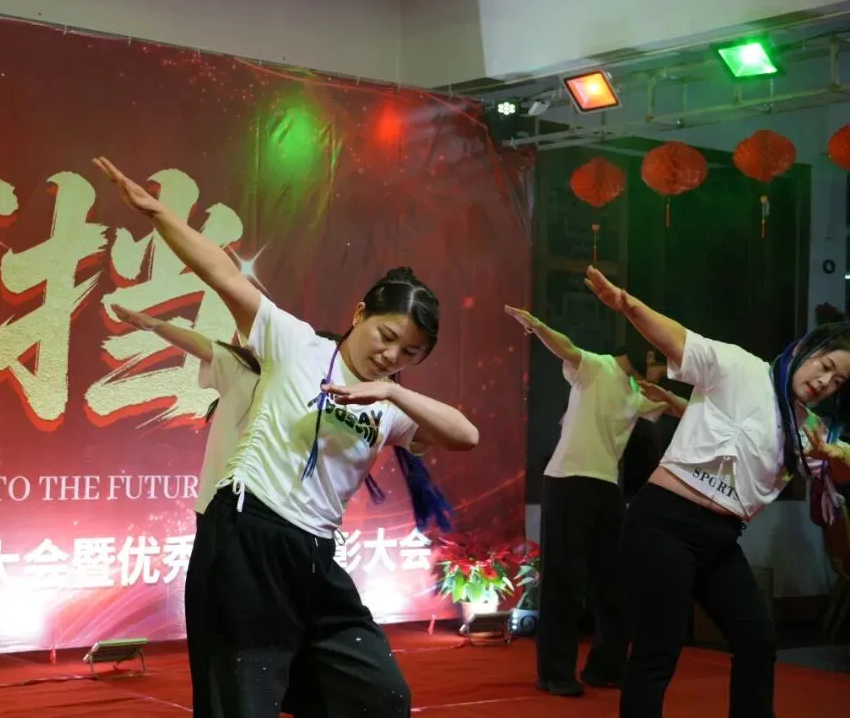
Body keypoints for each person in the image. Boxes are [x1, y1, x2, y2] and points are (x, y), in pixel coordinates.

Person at [94, 156, 478, 717]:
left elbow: (466, 435)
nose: (392, 355)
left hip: (315, 558)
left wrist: (392, 394)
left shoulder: (390, 407)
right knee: (242, 705)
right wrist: (158, 214)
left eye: (410, 353)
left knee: (380, 695)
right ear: (360, 314)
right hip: (246, 537)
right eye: (386, 335)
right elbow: (222, 274)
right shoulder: (295, 343)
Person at [583, 265, 850, 718]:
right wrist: (628, 305)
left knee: (757, 640)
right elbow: (678, 340)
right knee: (658, 650)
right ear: (806, 349)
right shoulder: (741, 367)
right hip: (664, 524)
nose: (825, 382)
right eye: (826, 367)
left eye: (838, 382)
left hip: (720, 539)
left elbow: (835, 469)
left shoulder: (808, 428)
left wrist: (836, 455)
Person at [504, 305, 687, 698]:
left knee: (614, 582)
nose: (662, 374)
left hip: (606, 488)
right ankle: (554, 673)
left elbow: (684, 411)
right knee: (564, 581)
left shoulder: (639, 392)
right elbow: (567, 348)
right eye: (661, 366)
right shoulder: (597, 367)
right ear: (647, 355)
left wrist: (667, 394)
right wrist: (538, 325)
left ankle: (606, 666)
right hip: (567, 481)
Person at [107, 304, 345, 522]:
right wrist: (155, 325)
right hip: (223, 507)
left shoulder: (327, 406)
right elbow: (203, 346)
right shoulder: (245, 371)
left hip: (282, 519)